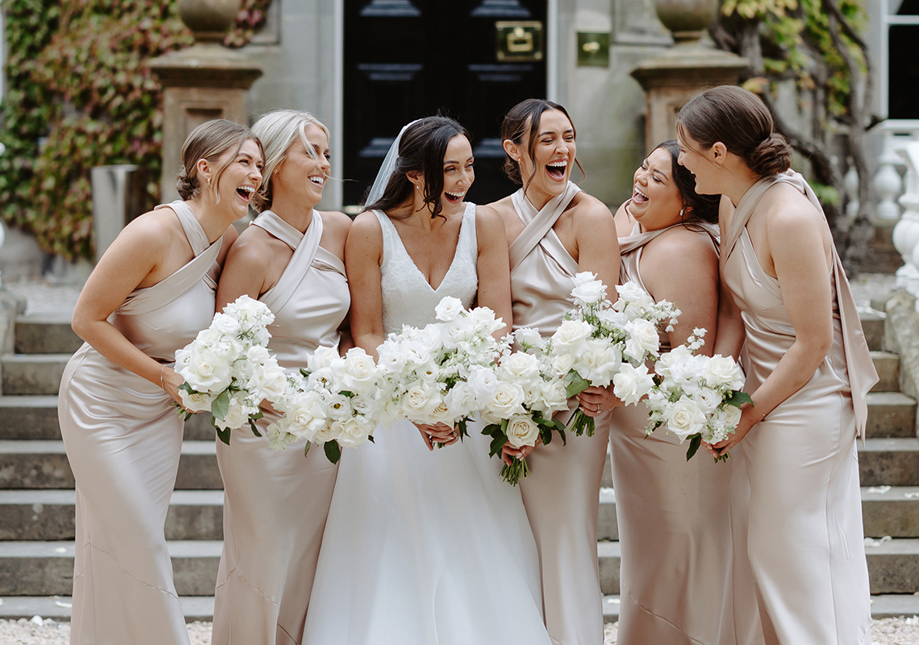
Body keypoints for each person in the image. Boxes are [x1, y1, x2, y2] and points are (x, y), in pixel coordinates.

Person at [303, 116, 551, 645]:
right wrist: (415, 401)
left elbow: (498, 322)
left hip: (469, 404)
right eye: (451, 170)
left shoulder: (483, 225)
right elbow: (366, 331)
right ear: (414, 176)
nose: (465, 181)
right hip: (394, 410)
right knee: (394, 546)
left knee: (476, 543)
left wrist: (468, 399)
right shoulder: (371, 229)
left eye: (469, 167)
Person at [677, 84, 878, 645]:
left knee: (785, 548)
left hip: (808, 400)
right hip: (759, 395)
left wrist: (749, 414)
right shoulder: (731, 199)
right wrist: (715, 384)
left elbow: (814, 342)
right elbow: (738, 304)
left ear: (719, 153)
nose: (681, 162)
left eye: (686, 148)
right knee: (760, 546)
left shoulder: (788, 215)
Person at [57, 119, 263, 644]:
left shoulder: (229, 240)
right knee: (141, 541)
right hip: (101, 400)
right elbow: (85, 319)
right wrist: (162, 376)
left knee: (117, 543)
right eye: (246, 162)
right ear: (205, 168)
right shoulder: (152, 232)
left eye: (260, 166)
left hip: (155, 416)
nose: (256, 176)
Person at [210, 110, 351, 645]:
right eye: (310, 151)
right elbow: (228, 356)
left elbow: (355, 331)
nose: (323, 164)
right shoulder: (250, 250)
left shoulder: (338, 231)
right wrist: (268, 402)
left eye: (326, 152)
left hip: (327, 420)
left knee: (312, 552)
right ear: (271, 166)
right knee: (263, 549)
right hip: (261, 428)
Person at [481, 98, 619, 645]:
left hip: (576, 405)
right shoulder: (490, 218)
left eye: (569, 137)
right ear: (515, 150)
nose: (562, 149)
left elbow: (601, 322)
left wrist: (556, 398)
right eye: (547, 140)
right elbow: (492, 315)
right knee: (507, 539)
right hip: (508, 396)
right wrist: (511, 401)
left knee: (565, 536)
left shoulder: (592, 216)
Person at [609, 140, 736, 644]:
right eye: (643, 167)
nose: (640, 180)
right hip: (635, 429)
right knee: (649, 548)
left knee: (679, 542)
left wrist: (627, 375)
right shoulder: (634, 219)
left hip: (669, 430)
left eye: (657, 179)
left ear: (686, 202)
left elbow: (692, 360)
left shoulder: (683, 248)